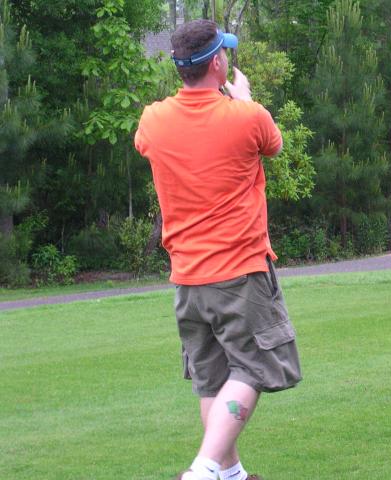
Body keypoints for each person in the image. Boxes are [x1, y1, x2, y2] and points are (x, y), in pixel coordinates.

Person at [134, 19, 302, 480]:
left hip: (188, 279)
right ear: (216, 64)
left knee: (211, 379)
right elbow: (273, 145)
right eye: (224, 53)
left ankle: (230, 475)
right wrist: (244, 100)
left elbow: (148, 143)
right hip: (240, 274)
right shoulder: (247, 115)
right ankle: (203, 471)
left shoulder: (153, 119)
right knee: (254, 369)